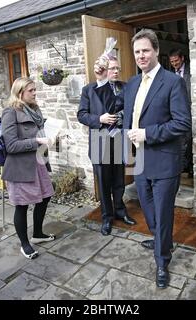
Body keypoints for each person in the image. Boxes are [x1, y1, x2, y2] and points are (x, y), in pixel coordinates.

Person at [117, 29, 191, 288]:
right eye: (137, 52)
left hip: (164, 160)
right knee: (147, 210)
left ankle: (162, 261)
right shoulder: (132, 83)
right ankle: (161, 238)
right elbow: (129, 113)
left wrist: (148, 134)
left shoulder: (172, 82)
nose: (141, 56)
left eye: (146, 50)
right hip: (140, 160)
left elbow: (182, 123)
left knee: (162, 211)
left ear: (157, 51)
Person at [78, 56, 136, 236]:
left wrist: (123, 115)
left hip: (118, 139)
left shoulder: (125, 87)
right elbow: (81, 115)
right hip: (99, 142)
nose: (116, 71)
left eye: (118, 68)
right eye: (112, 68)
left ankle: (120, 210)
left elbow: (133, 108)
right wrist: (99, 119)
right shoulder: (89, 89)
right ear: (104, 70)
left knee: (119, 180)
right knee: (103, 183)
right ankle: (106, 217)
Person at [1, 77, 55, 260]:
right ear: (20, 92)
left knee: (45, 197)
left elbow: (40, 133)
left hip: (38, 162)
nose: (35, 93)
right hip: (20, 168)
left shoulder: (34, 110)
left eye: (35, 89)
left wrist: (53, 137)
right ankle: (25, 244)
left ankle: (38, 233)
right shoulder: (10, 112)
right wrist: (37, 141)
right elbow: (11, 145)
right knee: (22, 206)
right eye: (31, 90)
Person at [169, 48, 193, 177]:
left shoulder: (192, 71)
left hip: (190, 111)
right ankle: (182, 168)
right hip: (175, 114)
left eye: (176, 61)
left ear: (182, 58)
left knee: (189, 141)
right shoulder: (170, 75)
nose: (174, 64)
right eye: (172, 62)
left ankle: (188, 168)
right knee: (180, 141)